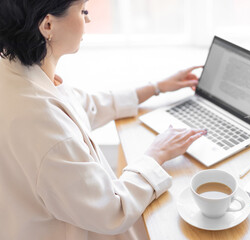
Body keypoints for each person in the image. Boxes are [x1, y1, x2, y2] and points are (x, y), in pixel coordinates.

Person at [0, 0, 206, 239]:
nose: (87, 19)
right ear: (48, 25)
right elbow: (111, 210)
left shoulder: (15, 70)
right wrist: (156, 154)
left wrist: (157, 88)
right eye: (82, 10)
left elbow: (84, 106)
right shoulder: (44, 126)